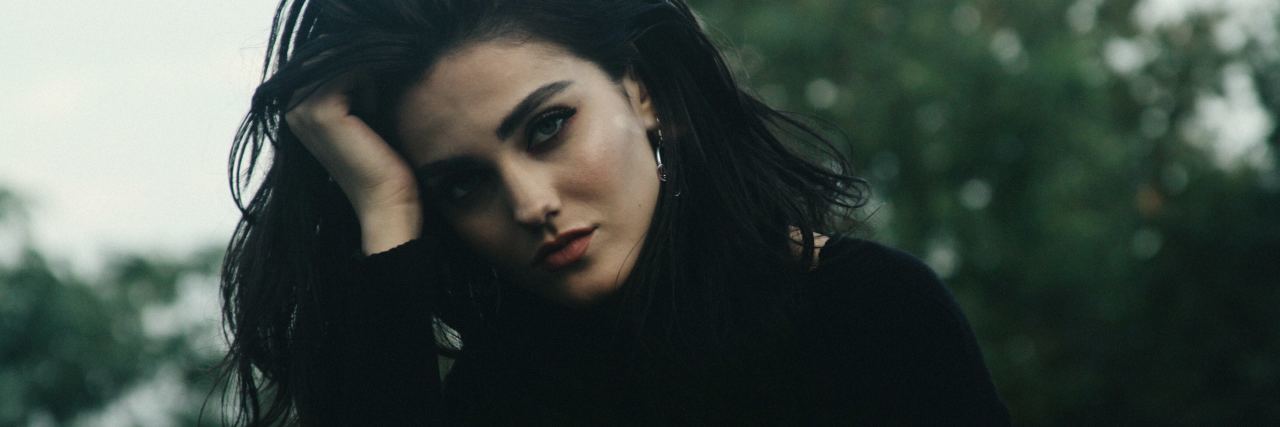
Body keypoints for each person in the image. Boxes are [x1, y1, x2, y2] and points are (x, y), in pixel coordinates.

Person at [218, 0, 1011, 424]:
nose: (531, 203)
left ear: (643, 93)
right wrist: (385, 210)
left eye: (548, 127)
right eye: (462, 185)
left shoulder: (869, 311)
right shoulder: (497, 399)